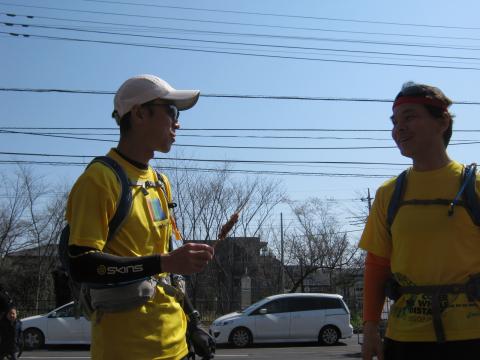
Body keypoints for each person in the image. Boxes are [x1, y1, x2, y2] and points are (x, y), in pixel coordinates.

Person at [66, 74, 215, 360]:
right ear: (139, 113)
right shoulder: (100, 180)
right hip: (126, 350)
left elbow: (168, 271)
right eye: (171, 111)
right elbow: (81, 264)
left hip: (178, 347)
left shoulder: (161, 182)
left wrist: (193, 322)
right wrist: (165, 261)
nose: (178, 122)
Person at [359, 82, 480, 360]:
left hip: (472, 336)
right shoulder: (388, 194)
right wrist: (370, 329)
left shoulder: (474, 187)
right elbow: (377, 264)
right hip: (405, 338)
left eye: (409, 117)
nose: (398, 128)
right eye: (395, 121)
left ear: (442, 122)